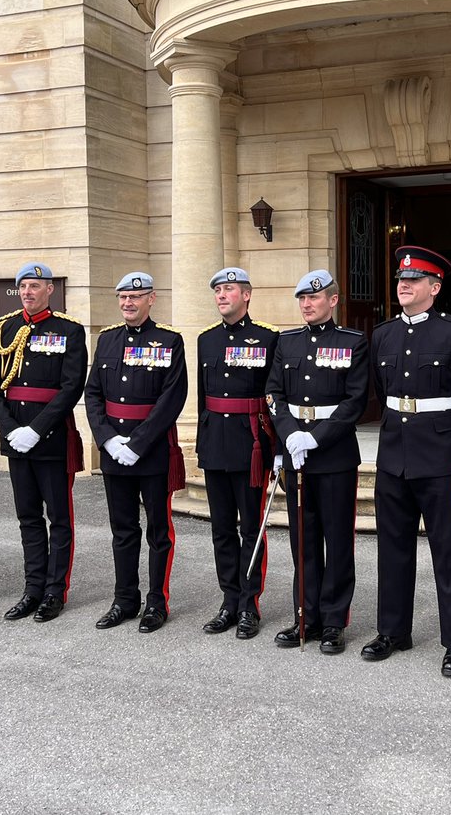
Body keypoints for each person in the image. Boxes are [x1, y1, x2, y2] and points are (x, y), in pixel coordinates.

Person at [362, 245, 451, 677]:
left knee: (448, 553)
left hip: (439, 455)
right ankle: (393, 631)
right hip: (394, 453)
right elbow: (383, 390)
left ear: (434, 287)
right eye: (400, 280)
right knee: (392, 550)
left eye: (414, 281)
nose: (404, 286)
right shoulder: (383, 334)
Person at [265, 269, 369, 654]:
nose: (306, 305)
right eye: (302, 299)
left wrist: (316, 436)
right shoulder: (286, 342)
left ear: (333, 300)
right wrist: (290, 433)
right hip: (297, 454)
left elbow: (355, 400)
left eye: (314, 298)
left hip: (335, 455)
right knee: (302, 540)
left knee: (338, 540)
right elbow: (273, 392)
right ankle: (304, 615)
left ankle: (334, 621)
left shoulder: (353, 342)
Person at [85, 272, 187, 634]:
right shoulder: (108, 340)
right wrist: (108, 440)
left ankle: (156, 602)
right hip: (114, 452)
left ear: (151, 299)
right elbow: (93, 394)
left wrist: (139, 443)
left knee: (159, 532)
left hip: (153, 451)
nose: (128, 302)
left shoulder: (169, 341)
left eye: (136, 296)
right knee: (123, 530)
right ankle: (124, 599)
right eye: (123, 297)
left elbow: (172, 399)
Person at [0, 263, 88, 623]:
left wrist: (37, 428)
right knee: (27, 517)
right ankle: (32, 588)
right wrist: (11, 428)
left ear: (50, 290)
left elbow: (71, 386)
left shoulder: (69, 331)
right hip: (16, 436)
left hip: (50, 437)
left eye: (35, 286)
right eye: (23, 287)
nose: (28, 292)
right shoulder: (5, 329)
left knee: (58, 518)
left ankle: (54, 591)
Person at [197, 267, 279, 640]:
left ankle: (250, 604)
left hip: (250, 443)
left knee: (251, 529)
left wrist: (276, 448)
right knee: (221, 529)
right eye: (217, 290)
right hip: (216, 442)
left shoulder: (267, 339)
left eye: (229, 289)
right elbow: (202, 399)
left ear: (246, 295)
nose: (221, 296)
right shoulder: (205, 340)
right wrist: (202, 440)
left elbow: (274, 396)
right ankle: (228, 600)